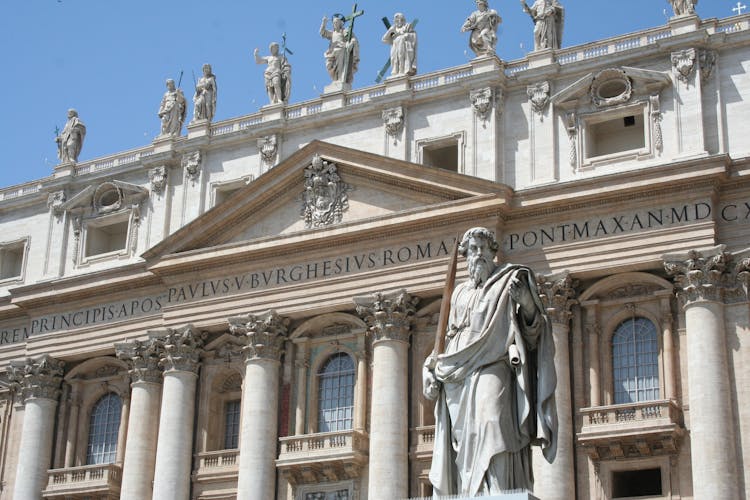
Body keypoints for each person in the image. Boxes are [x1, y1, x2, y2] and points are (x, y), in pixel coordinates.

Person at [423, 227, 557, 496]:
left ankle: (498, 490)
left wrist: (527, 303)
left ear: (494, 252)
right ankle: (471, 491)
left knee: (492, 421)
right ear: (465, 255)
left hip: (493, 363)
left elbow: (533, 332)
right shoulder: (459, 293)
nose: (479, 254)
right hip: (457, 374)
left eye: (484, 248)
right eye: (473, 249)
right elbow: (446, 339)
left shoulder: (509, 280)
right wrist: (430, 367)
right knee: (464, 437)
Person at [320, 14, 359, 84]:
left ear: (340, 24)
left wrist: (350, 43)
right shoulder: (332, 33)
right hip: (331, 54)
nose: (334, 24)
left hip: (341, 50)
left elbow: (353, 38)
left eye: (336, 22)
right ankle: (335, 79)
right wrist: (324, 23)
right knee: (328, 65)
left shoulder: (344, 31)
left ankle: (340, 79)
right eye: (334, 23)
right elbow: (322, 33)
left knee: (340, 57)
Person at [382, 13, 417, 78]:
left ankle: (401, 71)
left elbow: (413, 35)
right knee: (394, 59)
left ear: (403, 20)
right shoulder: (393, 29)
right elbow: (384, 39)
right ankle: (395, 72)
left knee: (401, 57)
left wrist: (406, 35)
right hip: (395, 45)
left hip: (403, 44)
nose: (399, 22)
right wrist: (390, 31)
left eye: (400, 20)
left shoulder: (406, 27)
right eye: (397, 20)